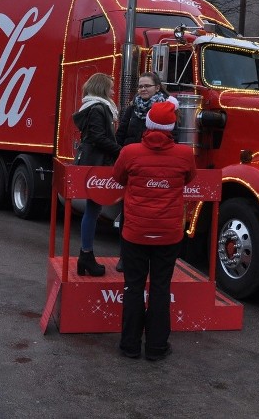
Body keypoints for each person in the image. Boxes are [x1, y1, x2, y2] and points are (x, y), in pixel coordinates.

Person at [113, 98, 196, 361]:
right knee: (161, 288)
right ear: (172, 127)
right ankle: (157, 347)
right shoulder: (185, 154)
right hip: (168, 234)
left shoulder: (130, 152)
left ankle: (130, 345)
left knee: (133, 287)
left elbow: (118, 177)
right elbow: (189, 178)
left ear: (148, 124)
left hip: (135, 232)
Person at [114, 72, 173, 272]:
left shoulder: (166, 109)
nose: (143, 89)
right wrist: (121, 156)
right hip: (134, 170)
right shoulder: (132, 109)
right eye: (140, 86)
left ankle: (154, 260)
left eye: (147, 86)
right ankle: (125, 257)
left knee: (155, 215)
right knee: (128, 212)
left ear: (157, 87)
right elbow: (120, 135)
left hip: (158, 170)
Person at [71, 73, 122, 276]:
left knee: (93, 210)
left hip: (94, 163)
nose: (113, 91)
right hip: (96, 164)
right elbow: (98, 138)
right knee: (93, 210)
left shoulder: (95, 107)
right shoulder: (99, 108)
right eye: (110, 88)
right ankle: (86, 255)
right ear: (101, 88)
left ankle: (86, 256)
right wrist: (121, 150)